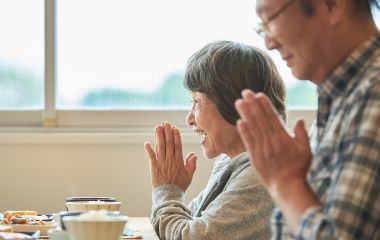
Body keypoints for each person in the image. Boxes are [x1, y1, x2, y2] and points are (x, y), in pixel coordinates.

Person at [235, 0, 380, 239]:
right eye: (262, 28)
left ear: (332, 5)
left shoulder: (373, 94)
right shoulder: (342, 96)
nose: (269, 43)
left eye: (270, 20)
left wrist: (286, 181)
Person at [144, 40, 286, 239]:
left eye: (196, 101)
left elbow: (189, 236)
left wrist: (167, 190)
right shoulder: (231, 162)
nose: (189, 118)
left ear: (235, 103)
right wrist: (168, 194)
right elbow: (193, 221)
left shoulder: (260, 175)